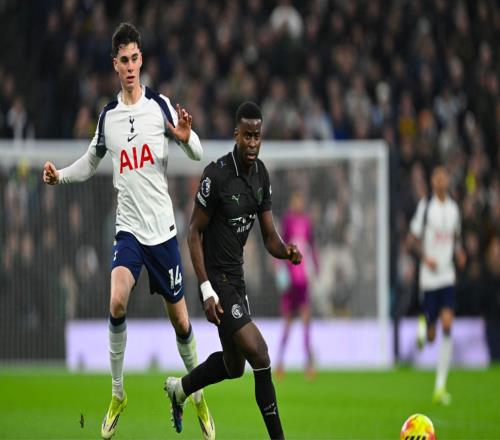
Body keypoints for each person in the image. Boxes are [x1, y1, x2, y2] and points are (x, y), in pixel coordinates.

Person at [42, 22, 214, 440]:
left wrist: (186, 139)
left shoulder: (160, 105)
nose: (131, 66)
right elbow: (90, 161)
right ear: (115, 65)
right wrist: (59, 176)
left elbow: (197, 151)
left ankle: (196, 395)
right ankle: (118, 394)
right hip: (129, 232)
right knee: (117, 301)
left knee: (182, 323)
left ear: (141, 60)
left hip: (163, 233)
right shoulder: (108, 117)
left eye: (136, 58)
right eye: (124, 60)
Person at [165, 101, 302, 439]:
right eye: (247, 136)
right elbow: (193, 233)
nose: (253, 143)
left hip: (236, 279)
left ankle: (179, 389)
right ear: (236, 135)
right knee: (260, 353)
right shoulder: (217, 175)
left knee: (233, 366)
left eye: (258, 136)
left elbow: (269, 237)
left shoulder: (261, 176)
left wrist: (286, 251)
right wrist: (206, 289)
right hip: (217, 281)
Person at [408, 165, 466, 405]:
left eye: (443, 176)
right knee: (432, 336)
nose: (440, 180)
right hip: (429, 278)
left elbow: (456, 238)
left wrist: (459, 253)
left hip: (447, 276)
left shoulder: (453, 209)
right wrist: (425, 258)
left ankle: (440, 386)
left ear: (447, 180)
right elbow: (412, 239)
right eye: (437, 176)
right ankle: (424, 324)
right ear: (432, 181)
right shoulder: (425, 207)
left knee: (448, 324)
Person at [275, 190, 319, 381]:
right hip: (290, 281)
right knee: (288, 322)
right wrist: (280, 270)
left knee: (306, 320)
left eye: (300, 200)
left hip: (303, 281)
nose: (298, 204)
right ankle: (279, 362)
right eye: (295, 200)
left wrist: (316, 267)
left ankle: (308, 364)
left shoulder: (307, 222)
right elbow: (279, 246)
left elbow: (312, 247)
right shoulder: (287, 221)